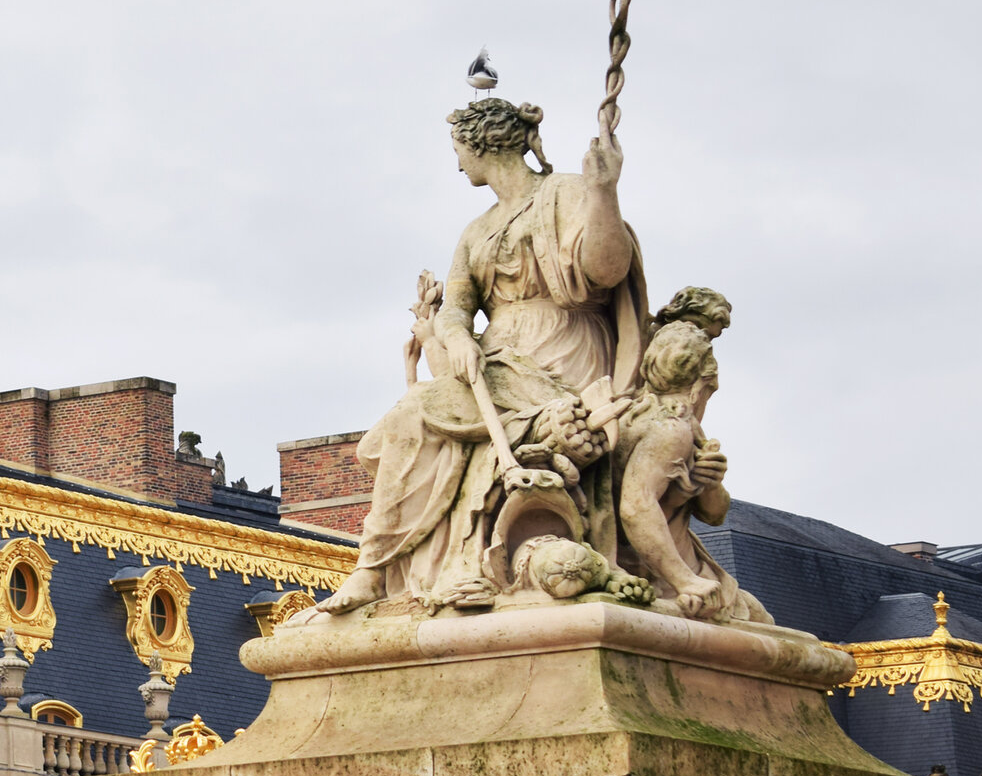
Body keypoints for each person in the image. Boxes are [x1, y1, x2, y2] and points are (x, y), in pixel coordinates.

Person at [319, 97, 651, 615]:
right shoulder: (475, 230)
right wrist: (458, 338)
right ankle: (371, 568)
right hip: (495, 360)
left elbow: (606, 270)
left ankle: (387, 567)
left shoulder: (565, 192)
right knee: (409, 418)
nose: (456, 163)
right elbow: (456, 309)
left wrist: (604, 192)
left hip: (563, 354)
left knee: (422, 413)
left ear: (481, 145)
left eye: (457, 149)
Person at [611, 318, 770, 623]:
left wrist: (709, 482)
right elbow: (636, 507)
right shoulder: (670, 430)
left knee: (759, 619)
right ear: (703, 383)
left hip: (667, 559)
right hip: (660, 570)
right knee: (758, 626)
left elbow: (713, 514)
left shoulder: (657, 420)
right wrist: (685, 581)